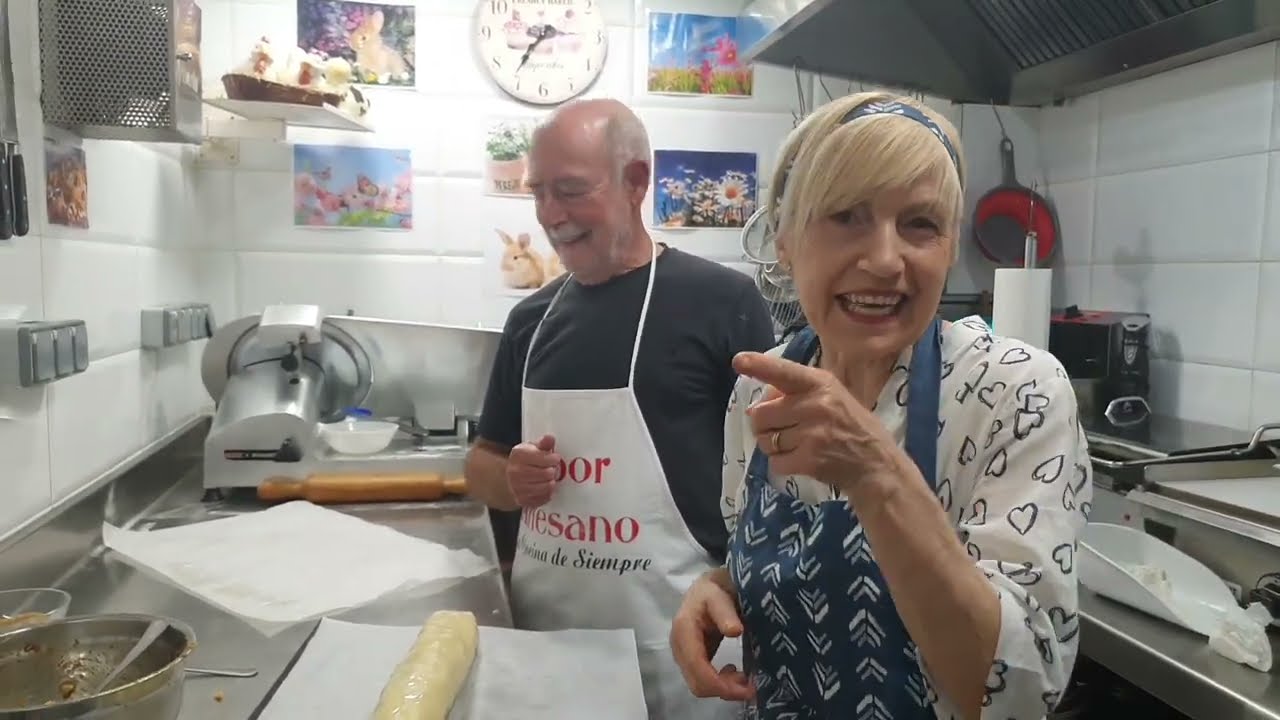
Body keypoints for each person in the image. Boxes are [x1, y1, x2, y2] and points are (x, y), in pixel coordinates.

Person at [670, 92, 1093, 720]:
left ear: (949, 247)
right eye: (845, 215)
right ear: (784, 240)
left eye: (920, 224)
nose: (885, 260)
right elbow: (785, 566)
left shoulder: (1015, 394)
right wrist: (719, 590)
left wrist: (874, 470)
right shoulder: (760, 391)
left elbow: (1018, 690)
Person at [464, 97, 777, 720]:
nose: (552, 215)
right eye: (539, 192)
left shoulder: (723, 303)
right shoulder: (530, 321)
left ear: (637, 180)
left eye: (572, 190)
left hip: (680, 653)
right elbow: (480, 468)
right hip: (549, 656)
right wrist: (513, 479)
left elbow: (775, 481)